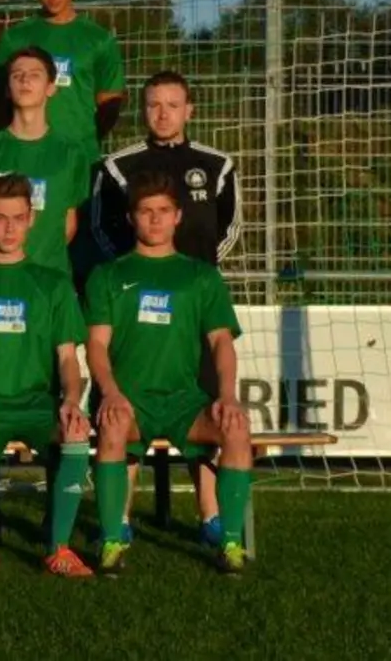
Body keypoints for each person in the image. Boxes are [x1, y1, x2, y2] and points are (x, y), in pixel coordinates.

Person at [91, 69, 241, 546]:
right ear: (143, 110)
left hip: (194, 304)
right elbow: (100, 230)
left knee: (206, 404)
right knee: (126, 410)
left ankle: (211, 516)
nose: (162, 113)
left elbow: (230, 228)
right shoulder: (117, 166)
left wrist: (194, 280)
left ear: (188, 110)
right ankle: (121, 520)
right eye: (153, 104)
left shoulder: (215, 164)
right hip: (134, 301)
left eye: (172, 105)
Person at [85, 169, 253, 575]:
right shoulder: (108, 275)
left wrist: (227, 395)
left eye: (164, 211)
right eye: (146, 211)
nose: (155, 219)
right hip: (129, 398)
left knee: (235, 428)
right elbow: (96, 346)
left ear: (178, 216)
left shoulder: (200, 277)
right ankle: (112, 540)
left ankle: (230, 542)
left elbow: (221, 343)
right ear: (131, 218)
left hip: (183, 401)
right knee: (111, 426)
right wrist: (109, 392)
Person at [0, 174, 96, 580]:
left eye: (18, 218)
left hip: (37, 403)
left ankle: (58, 548)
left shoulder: (53, 284)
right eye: (1, 218)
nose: (9, 228)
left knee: (76, 432)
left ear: (31, 219)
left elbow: (67, 357)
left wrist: (71, 401)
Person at [0, 46, 92, 278]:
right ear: (7, 89)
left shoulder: (72, 152)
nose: (25, 80)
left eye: (35, 75)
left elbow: (69, 224)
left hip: (50, 278)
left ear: (51, 87)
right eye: (17, 75)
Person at [0, 0, 126, 153]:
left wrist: (82, 142)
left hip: (81, 157)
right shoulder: (14, 39)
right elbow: (0, 103)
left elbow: (110, 104)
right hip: (26, 155)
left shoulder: (99, 40)